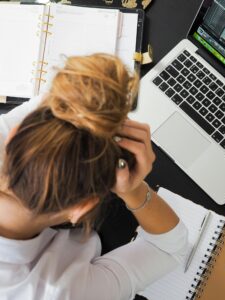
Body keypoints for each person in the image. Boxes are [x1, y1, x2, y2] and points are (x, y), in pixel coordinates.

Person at [0, 54, 188, 300]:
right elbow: (169, 248)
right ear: (81, 209)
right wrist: (133, 190)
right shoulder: (62, 293)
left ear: (13, 136)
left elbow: (56, 99)